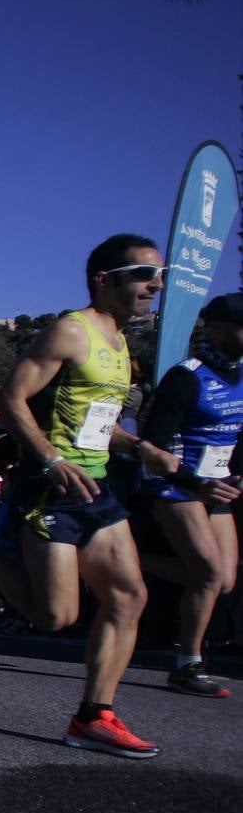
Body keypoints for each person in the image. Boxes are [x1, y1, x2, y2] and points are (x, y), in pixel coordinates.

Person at [0, 233, 176, 758]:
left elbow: (100, 423)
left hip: (97, 486)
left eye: (160, 275)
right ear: (104, 280)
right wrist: (50, 459)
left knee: (130, 595)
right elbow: (10, 397)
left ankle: (94, 715)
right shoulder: (72, 331)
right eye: (143, 274)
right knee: (56, 618)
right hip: (49, 487)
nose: (154, 285)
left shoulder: (120, 345)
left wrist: (141, 448)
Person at [138, 292, 243, 698]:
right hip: (176, 485)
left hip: (218, 485)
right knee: (209, 573)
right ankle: (188, 663)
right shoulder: (187, 376)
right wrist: (193, 482)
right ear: (214, 328)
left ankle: (128, 560)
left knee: (226, 581)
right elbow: (153, 445)